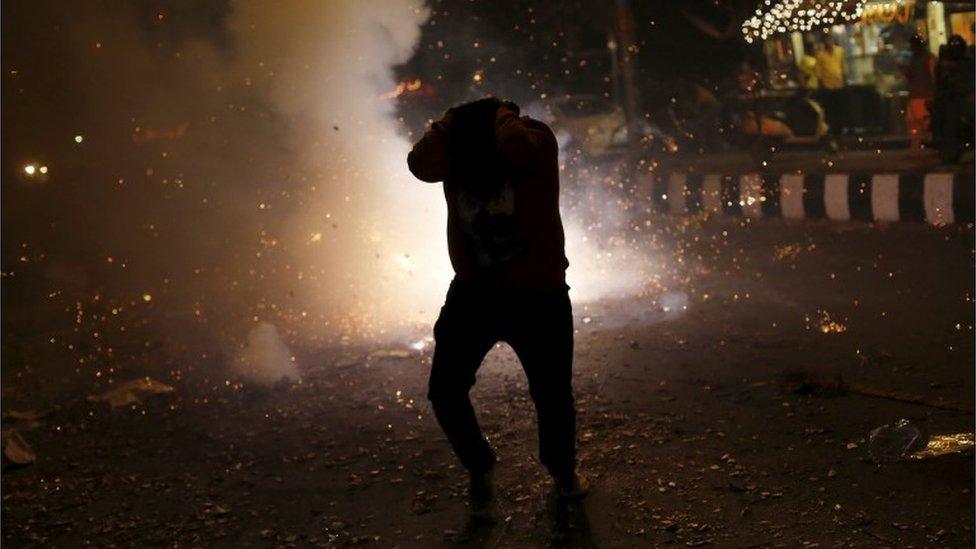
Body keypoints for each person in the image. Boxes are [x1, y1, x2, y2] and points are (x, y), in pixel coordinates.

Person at [406, 97, 586, 519]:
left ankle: (563, 473)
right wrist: (449, 125)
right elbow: (418, 164)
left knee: (552, 394)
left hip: (538, 295)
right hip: (474, 293)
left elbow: (519, 147)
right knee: (445, 391)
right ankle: (480, 464)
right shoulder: (455, 155)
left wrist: (495, 114)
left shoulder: (536, 139)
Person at [902, 34, 937, 151]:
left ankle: (929, 147)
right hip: (915, 96)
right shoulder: (914, 59)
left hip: (925, 97)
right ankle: (916, 147)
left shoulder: (929, 58)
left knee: (926, 124)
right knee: (913, 124)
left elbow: (934, 76)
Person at [814, 34, 846, 135]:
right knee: (830, 110)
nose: (829, 42)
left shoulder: (840, 51)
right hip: (827, 87)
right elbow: (818, 73)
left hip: (839, 84)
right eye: (827, 41)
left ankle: (840, 129)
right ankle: (832, 130)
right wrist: (821, 86)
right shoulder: (820, 55)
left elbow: (843, 66)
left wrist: (844, 79)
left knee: (840, 109)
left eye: (830, 40)